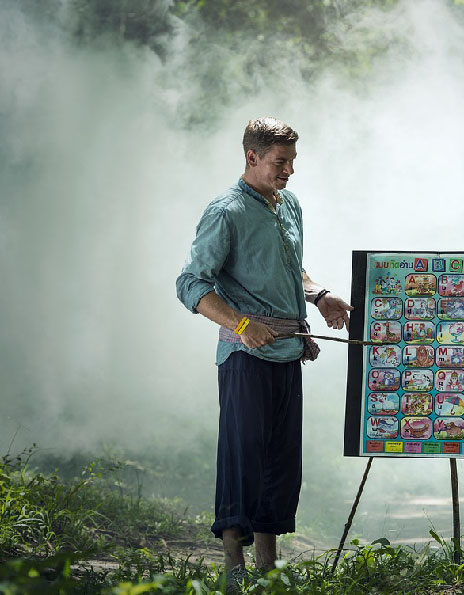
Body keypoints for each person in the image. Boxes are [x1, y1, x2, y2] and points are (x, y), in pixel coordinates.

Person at [175, 117, 353, 575]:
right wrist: (242, 323)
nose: (289, 170)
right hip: (245, 355)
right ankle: (233, 569)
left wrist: (319, 295)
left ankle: (267, 569)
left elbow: (291, 267)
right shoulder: (226, 211)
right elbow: (191, 283)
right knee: (243, 455)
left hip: (287, 351)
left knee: (280, 459)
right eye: (280, 161)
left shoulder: (288, 205)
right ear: (252, 157)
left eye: (292, 161)